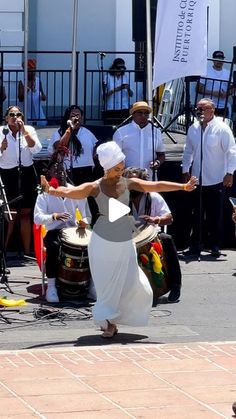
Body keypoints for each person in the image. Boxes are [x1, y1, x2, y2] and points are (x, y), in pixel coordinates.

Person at [41, 141, 197, 338]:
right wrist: (51, 190)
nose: (120, 171)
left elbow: (155, 185)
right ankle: (108, 323)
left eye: (122, 167)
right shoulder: (95, 186)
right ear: (107, 167)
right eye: (116, 168)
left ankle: (115, 319)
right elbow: (72, 191)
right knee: (106, 286)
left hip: (124, 242)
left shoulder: (128, 183)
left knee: (134, 285)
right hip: (102, 242)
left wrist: (183, 186)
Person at [182, 98, 236, 257]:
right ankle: (196, 245)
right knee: (197, 214)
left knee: (215, 214)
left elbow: (231, 151)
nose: (199, 111)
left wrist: (230, 172)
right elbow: (188, 151)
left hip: (217, 178)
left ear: (212, 110)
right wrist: (185, 170)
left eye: (203, 108)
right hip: (197, 179)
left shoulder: (222, 128)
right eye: (197, 108)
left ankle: (215, 245)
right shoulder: (193, 128)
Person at [34, 156, 90, 303]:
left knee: (93, 245)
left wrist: (84, 222)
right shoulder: (44, 193)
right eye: (56, 170)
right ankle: (51, 287)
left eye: (62, 170)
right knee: (53, 247)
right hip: (54, 231)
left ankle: (91, 284)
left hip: (74, 231)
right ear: (50, 174)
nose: (60, 172)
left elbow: (86, 216)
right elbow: (37, 218)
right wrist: (54, 216)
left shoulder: (76, 191)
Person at [124, 167, 182, 303]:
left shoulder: (153, 197)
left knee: (166, 239)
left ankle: (175, 286)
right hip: (130, 237)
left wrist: (157, 220)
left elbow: (170, 218)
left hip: (153, 235)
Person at [0, 105, 42, 255]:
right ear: (6, 117)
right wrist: (1, 148)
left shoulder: (28, 130)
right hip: (7, 173)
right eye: (11, 114)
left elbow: (36, 148)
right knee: (10, 213)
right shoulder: (1, 131)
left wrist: (24, 132)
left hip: (26, 172)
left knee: (25, 212)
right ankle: (4, 251)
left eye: (18, 114)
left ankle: (26, 251)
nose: (15, 117)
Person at [113, 101, 165, 180]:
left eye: (146, 113)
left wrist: (157, 162)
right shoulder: (121, 132)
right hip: (128, 179)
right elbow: (114, 157)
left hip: (149, 179)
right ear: (133, 114)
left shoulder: (156, 132)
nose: (143, 116)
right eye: (140, 113)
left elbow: (161, 155)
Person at [48, 105, 98, 186]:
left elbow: (95, 148)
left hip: (87, 171)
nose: (76, 118)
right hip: (69, 171)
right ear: (68, 117)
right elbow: (60, 147)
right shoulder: (59, 132)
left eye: (78, 115)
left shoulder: (87, 132)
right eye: (73, 115)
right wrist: (70, 129)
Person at [197, 50, 233, 117]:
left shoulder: (228, 73)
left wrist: (226, 93)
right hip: (208, 106)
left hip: (223, 107)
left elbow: (232, 89)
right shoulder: (206, 72)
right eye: (217, 58)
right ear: (213, 60)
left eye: (221, 58)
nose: (219, 61)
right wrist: (213, 93)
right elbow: (199, 89)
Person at [18, 59, 47, 127]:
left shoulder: (38, 80)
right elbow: (20, 98)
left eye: (33, 70)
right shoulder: (22, 82)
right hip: (27, 112)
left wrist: (43, 97)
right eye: (30, 71)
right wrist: (27, 88)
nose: (32, 73)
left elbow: (43, 96)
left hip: (38, 113)